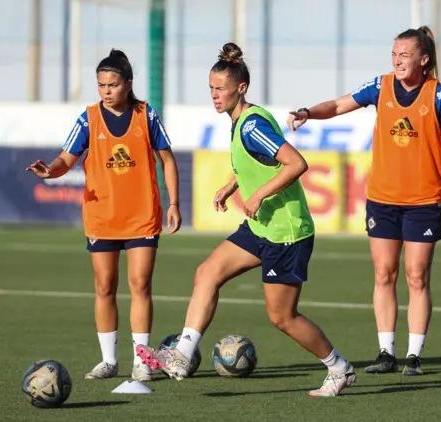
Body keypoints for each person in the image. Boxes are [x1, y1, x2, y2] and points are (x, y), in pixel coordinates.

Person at [136, 42, 356, 397]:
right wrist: (232, 184)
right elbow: (258, 161)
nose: (214, 95)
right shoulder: (241, 120)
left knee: (282, 317)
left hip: (286, 231)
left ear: (241, 88)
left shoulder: (252, 124)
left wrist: (256, 195)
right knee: (207, 272)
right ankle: (182, 354)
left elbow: (296, 164)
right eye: (210, 88)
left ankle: (339, 368)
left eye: (220, 88)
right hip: (260, 228)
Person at [287, 26, 441, 375]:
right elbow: (339, 104)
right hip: (382, 199)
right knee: (384, 273)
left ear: (423, 59)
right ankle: (386, 353)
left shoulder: (439, 96)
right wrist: (309, 111)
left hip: (423, 201)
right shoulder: (380, 86)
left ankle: (414, 355)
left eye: (405, 55)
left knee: (416, 276)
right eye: (394, 54)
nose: (398, 61)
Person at [27, 49, 182, 382]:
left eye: (112, 84)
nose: (106, 91)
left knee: (141, 285)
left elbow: (168, 160)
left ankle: (142, 361)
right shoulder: (88, 118)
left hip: (142, 216)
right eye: (101, 85)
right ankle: (108, 361)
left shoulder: (146, 115)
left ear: (128, 83)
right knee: (104, 287)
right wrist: (48, 171)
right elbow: (64, 160)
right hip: (102, 218)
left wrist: (173, 205)